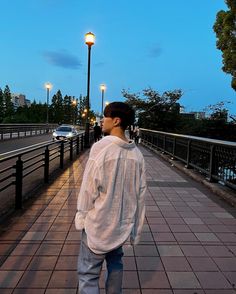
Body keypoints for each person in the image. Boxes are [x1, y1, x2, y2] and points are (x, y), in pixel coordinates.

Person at [75, 102, 146, 294]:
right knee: (115, 266)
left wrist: (81, 216)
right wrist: (135, 230)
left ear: (116, 120)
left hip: (98, 224)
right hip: (121, 226)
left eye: (105, 116)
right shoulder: (137, 155)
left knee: (88, 274)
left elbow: (88, 189)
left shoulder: (101, 148)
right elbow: (140, 195)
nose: (101, 120)